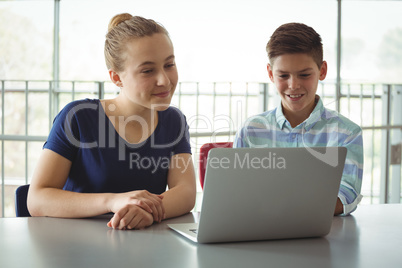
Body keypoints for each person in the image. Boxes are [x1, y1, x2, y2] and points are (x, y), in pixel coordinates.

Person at [27, 13, 196, 229]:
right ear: (116, 78)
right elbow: (37, 199)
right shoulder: (78, 117)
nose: (164, 80)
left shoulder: (174, 121)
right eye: (148, 70)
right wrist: (113, 201)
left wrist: (146, 212)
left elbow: (185, 192)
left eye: (169, 65)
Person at [233, 23, 363, 216]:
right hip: (260, 231)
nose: (293, 85)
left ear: (322, 70)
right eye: (283, 75)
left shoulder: (346, 133)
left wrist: (288, 209)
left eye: (304, 75)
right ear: (270, 73)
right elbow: (235, 190)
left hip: (322, 236)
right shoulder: (251, 131)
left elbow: (347, 194)